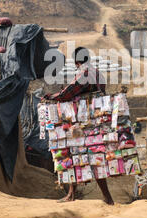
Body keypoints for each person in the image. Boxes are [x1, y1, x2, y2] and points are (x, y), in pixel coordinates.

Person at [44, 47, 114, 205]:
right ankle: (107, 197)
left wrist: (52, 96)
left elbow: (67, 94)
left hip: (83, 121)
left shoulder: (84, 73)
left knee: (73, 154)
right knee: (96, 157)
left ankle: (71, 195)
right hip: (98, 120)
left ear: (76, 61)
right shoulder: (98, 73)